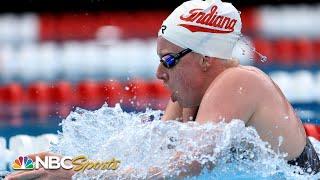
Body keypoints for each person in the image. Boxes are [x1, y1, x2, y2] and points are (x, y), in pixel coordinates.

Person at [5, 0, 319, 179]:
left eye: (168, 60)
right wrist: (69, 162)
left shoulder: (240, 83)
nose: (158, 73)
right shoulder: (188, 103)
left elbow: (183, 169)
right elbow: (147, 161)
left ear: (206, 59)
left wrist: (79, 177)